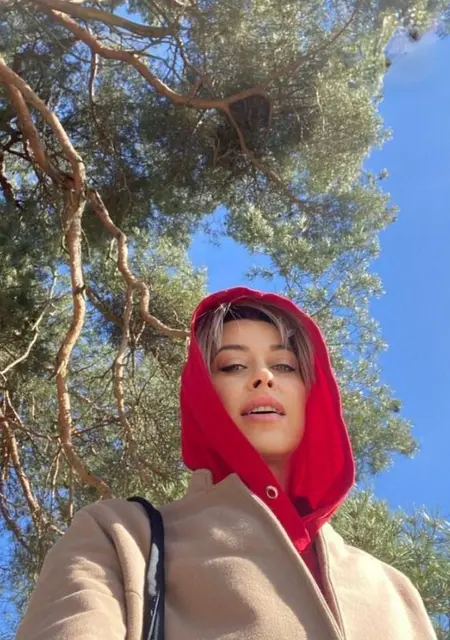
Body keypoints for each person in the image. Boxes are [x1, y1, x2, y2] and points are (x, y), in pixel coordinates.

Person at [16, 286, 436, 640]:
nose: (263, 377)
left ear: (313, 394)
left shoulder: (394, 589)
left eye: (284, 365)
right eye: (233, 365)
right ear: (202, 397)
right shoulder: (119, 536)